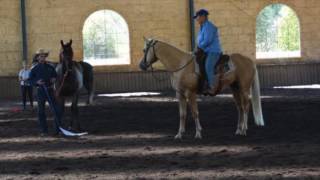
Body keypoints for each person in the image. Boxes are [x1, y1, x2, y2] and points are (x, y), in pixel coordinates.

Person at [29, 49, 61, 136]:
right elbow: (30, 80)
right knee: (41, 112)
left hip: (50, 90)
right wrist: (37, 82)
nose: (43, 58)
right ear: (38, 58)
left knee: (56, 110)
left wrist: (54, 79)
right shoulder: (34, 69)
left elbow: (55, 75)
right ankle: (44, 131)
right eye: (41, 56)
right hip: (40, 92)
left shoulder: (50, 67)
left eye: (44, 56)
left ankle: (57, 130)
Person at [194, 9, 222, 95]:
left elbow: (207, 40)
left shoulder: (209, 27)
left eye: (198, 17)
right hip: (205, 51)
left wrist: (199, 47)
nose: (197, 19)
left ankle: (212, 87)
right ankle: (202, 86)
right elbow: (199, 40)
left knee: (208, 66)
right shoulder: (202, 27)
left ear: (203, 17)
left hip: (213, 51)